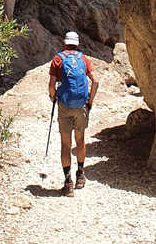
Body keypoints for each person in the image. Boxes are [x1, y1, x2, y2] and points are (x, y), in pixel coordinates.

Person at [48, 30, 98, 195]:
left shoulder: (58, 59)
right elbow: (96, 81)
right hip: (81, 106)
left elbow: (51, 85)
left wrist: (53, 96)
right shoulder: (83, 59)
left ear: (64, 43)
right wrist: (89, 102)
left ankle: (68, 182)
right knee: (80, 140)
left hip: (64, 105)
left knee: (65, 144)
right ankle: (81, 175)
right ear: (77, 44)